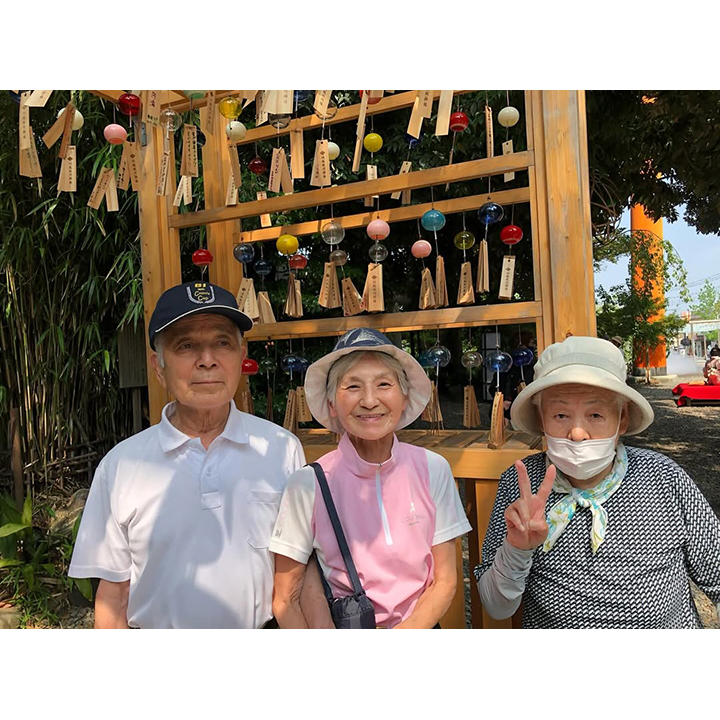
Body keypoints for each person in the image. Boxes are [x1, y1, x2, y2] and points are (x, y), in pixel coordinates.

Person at [69, 281, 325, 628]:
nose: (207, 361)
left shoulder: (281, 448)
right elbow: (113, 597)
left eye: (222, 343)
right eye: (186, 346)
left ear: (241, 356)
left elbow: (299, 576)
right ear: (158, 367)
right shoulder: (121, 466)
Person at [474, 335, 720, 628]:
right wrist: (516, 549)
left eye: (596, 414)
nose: (577, 433)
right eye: (560, 414)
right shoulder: (520, 483)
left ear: (622, 419)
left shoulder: (664, 478)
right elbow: (496, 607)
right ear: (541, 419)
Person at [270, 328, 472, 628]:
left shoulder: (432, 469)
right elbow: (285, 599)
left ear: (404, 397)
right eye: (352, 386)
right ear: (331, 404)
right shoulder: (308, 484)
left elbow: (445, 581)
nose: (369, 400)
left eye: (384, 384)